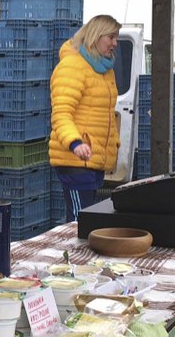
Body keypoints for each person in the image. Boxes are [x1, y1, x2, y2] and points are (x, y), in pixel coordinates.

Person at [48, 15, 121, 222]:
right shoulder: (72, 67)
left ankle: (86, 253)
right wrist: (75, 142)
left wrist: (114, 144)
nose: (115, 43)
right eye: (111, 37)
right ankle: (75, 254)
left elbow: (106, 113)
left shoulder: (104, 69)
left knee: (88, 219)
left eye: (116, 37)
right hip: (75, 158)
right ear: (95, 36)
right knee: (80, 222)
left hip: (93, 159)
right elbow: (61, 113)